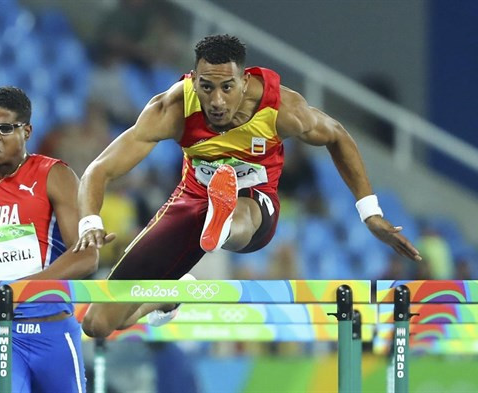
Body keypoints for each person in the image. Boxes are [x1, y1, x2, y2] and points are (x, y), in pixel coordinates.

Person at [74, 34, 421, 338]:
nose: (217, 101)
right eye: (207, 87)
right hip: (192, 202)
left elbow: (338, 137)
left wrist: (370, 213)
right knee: (98, 324)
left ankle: (222, 221)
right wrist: (90, 223)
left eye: (227, 87)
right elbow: (99, 170)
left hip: (255, 207)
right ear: (194, 81)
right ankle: (169, 295)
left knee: (239, 210)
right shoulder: (173, 108)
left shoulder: (280, 108)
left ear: (244, 81)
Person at [0, 86, 111, 392]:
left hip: (53, 334)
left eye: (4, 128)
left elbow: (86, 257)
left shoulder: (55, 176)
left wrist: (14, 293)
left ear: (26, 131)